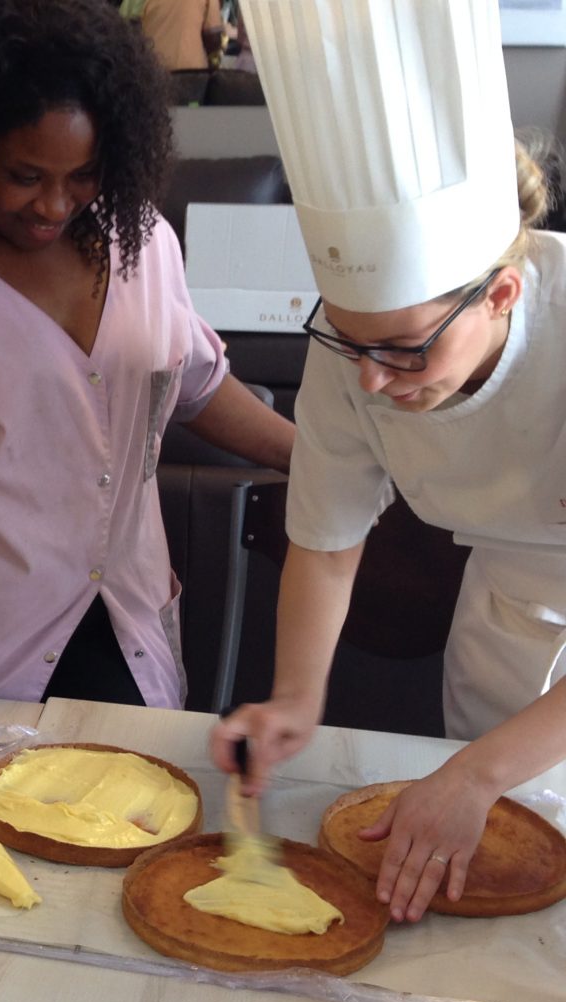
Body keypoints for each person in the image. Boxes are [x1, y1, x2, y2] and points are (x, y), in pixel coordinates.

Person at [0, 0, 294, 748]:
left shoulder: (147, 245)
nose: (54, 204)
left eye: (84, 176)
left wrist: (311, 458)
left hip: (121, 630)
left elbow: (195, 384)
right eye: (25, 175)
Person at [211, 0, 566, 924]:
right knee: (498, 906)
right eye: (348, 340)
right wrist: (295, 698)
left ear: (501, 293)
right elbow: (326, 545)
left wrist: (477, 774)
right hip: (503, 621)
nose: (372, 378)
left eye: (406, 350)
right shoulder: (357, 359)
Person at [137, 0, 224, 72]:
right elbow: (213, 38)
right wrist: (213, 64)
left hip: (151, 70)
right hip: (192, 72)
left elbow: (128, 28)